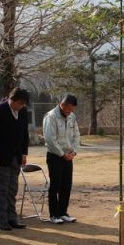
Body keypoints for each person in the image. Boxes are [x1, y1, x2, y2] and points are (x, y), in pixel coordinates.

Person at [0, 87, 30, 230]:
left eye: (23, 104)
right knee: (2, 188)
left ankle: (12, 217)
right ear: (12, 99)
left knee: (13, 188)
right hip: (1, 157)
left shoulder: (23, 112)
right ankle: (1, 219)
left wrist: (24, 153)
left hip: (16, 157)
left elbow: (25, 133)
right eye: (20, 103)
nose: (21, 106)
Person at [42, 94, 80, 224]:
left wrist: (74, 152)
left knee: (66, 185)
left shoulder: (72, 117)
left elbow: (76, 135)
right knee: (55, 185)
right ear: (62, 105)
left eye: (72, 110)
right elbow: (50, 139)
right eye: (68, 109)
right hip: (55, 156)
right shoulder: (51, 116)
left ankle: (63, 212)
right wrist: (62, 154)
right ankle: (54, 214)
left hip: (69, 156)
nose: (70, 112)